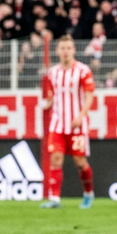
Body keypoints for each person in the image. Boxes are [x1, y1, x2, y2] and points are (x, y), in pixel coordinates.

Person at [40, 35, 97, 209]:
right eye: (62, 48)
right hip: (57, 124)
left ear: (74, 50)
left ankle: (88, 193)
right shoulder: (52, 73)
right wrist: (47, 103)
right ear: (57, 51)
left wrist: (81, 116)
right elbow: (52, 96)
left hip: (77, 125)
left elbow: (89, 96)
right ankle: (55, 198)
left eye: (68, 48)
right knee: (56, 159)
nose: (65, 52)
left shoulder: (83, 70)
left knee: (80, 163)